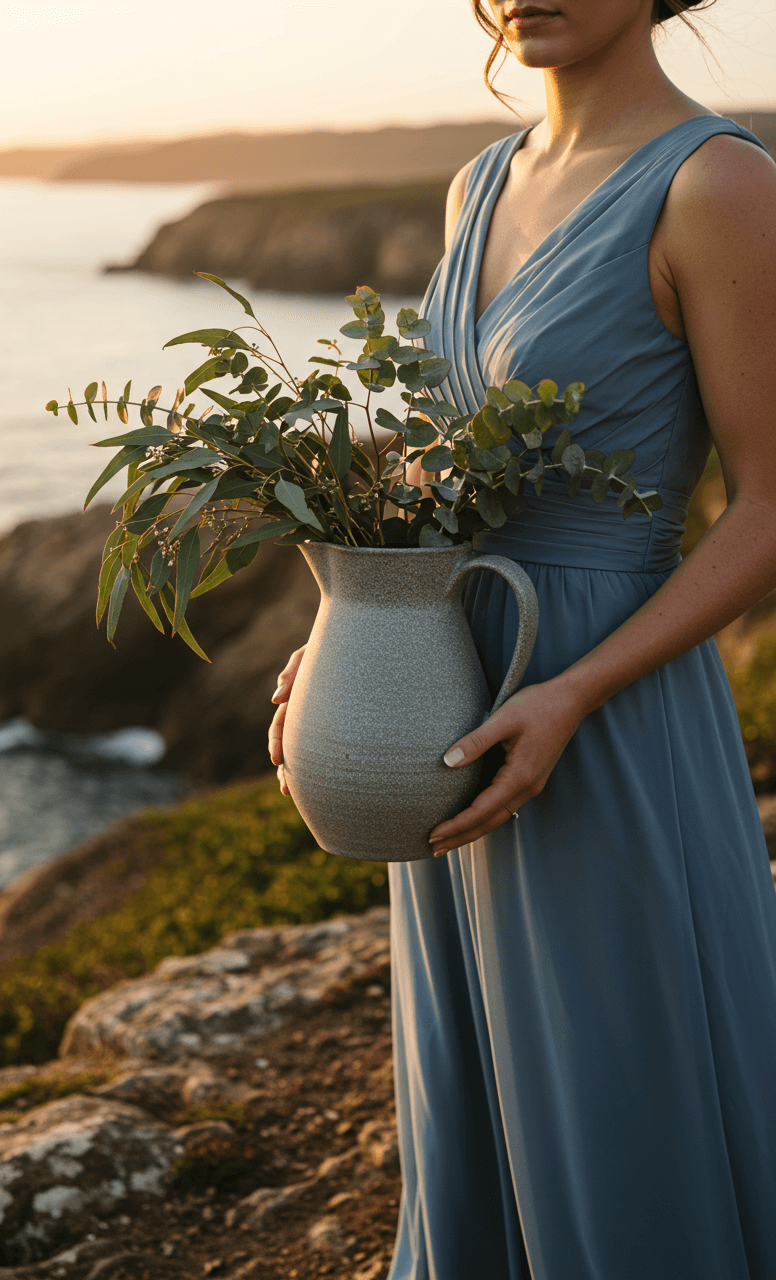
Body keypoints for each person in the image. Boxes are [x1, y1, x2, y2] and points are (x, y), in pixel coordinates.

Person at [269, 1, 776, 1275]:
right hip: (448, 683)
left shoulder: (716, 183)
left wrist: (573, 693)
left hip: (605, 698)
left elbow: (768, 507)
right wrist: (342, 631)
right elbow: (447, 473)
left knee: (621, 1078)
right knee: (477, 1083)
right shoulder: (477, 183)